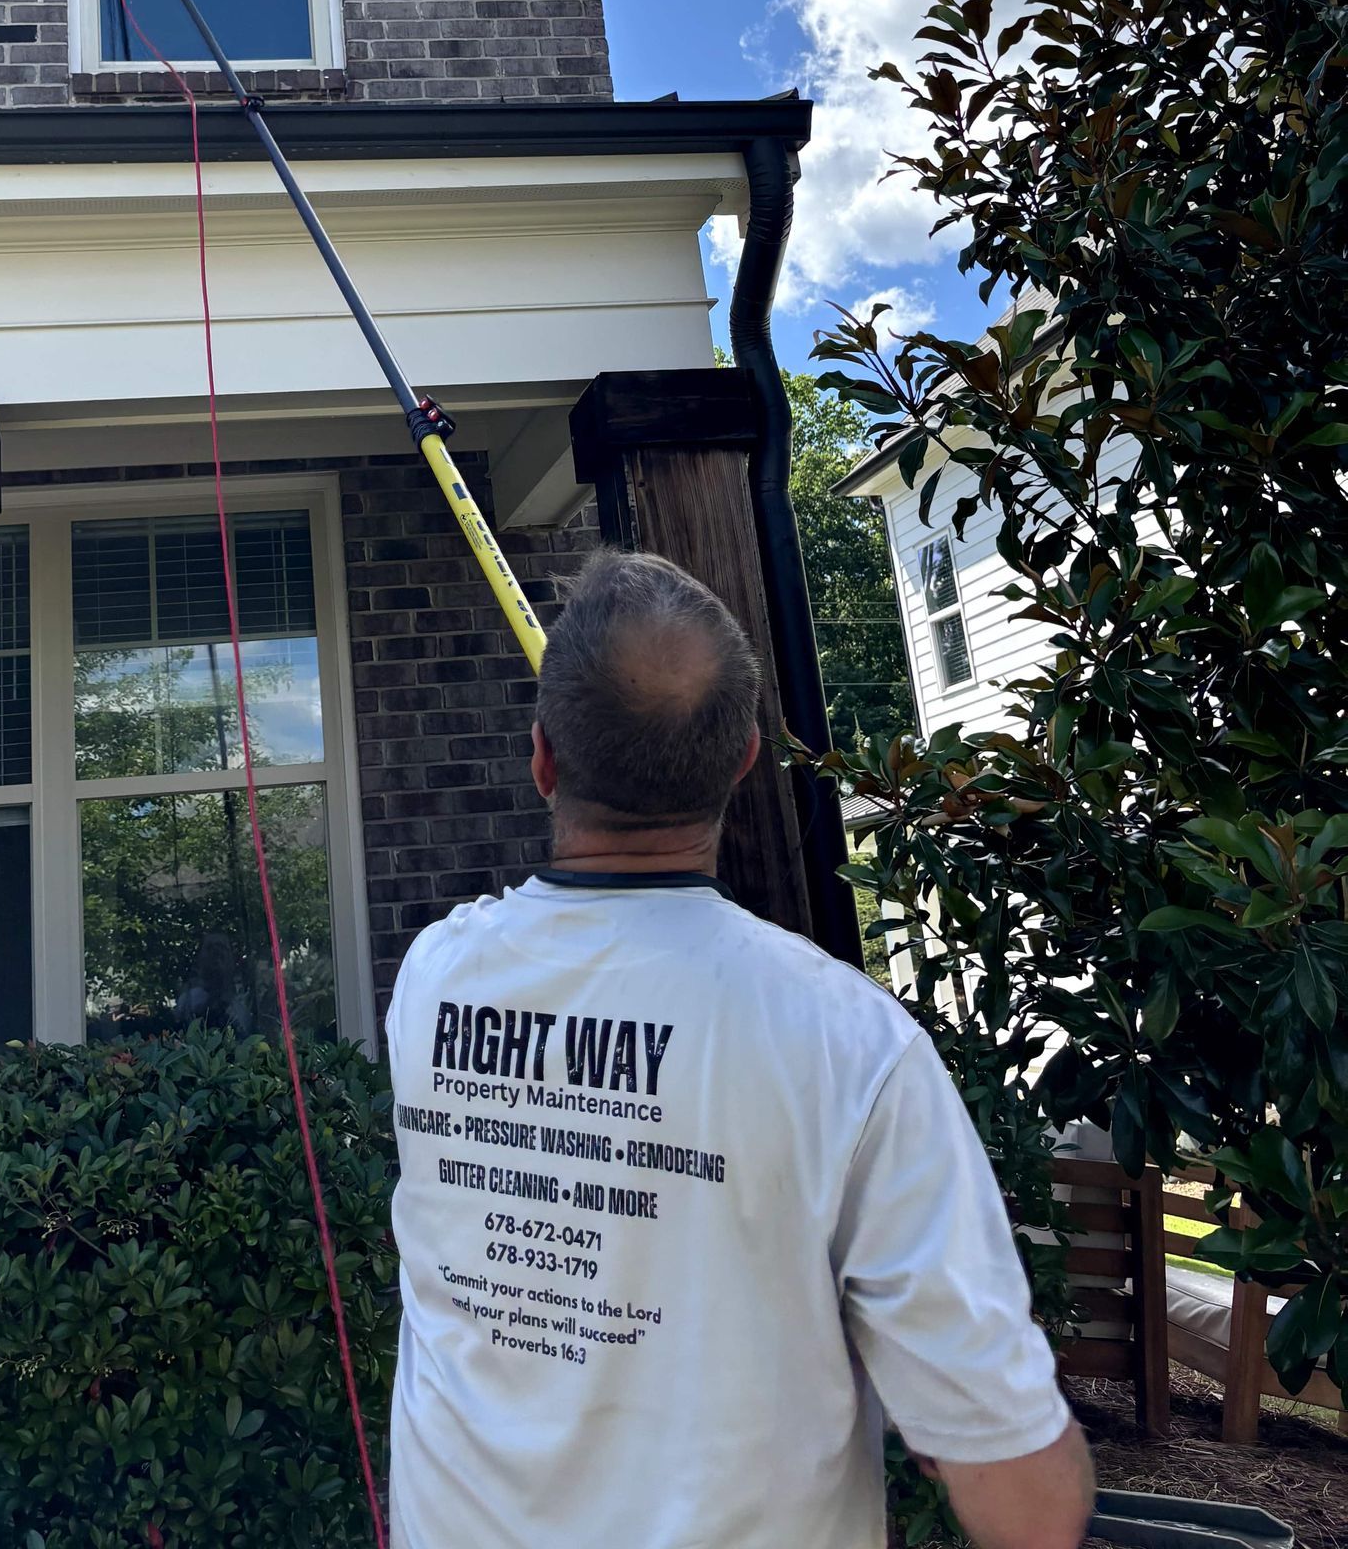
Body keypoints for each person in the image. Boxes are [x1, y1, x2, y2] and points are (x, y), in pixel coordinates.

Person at [385, 546, 1094, 1549]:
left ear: (542, 757)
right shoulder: (846, 1041)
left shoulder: (432, 979)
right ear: (744, 759)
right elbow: (1027, 1502)